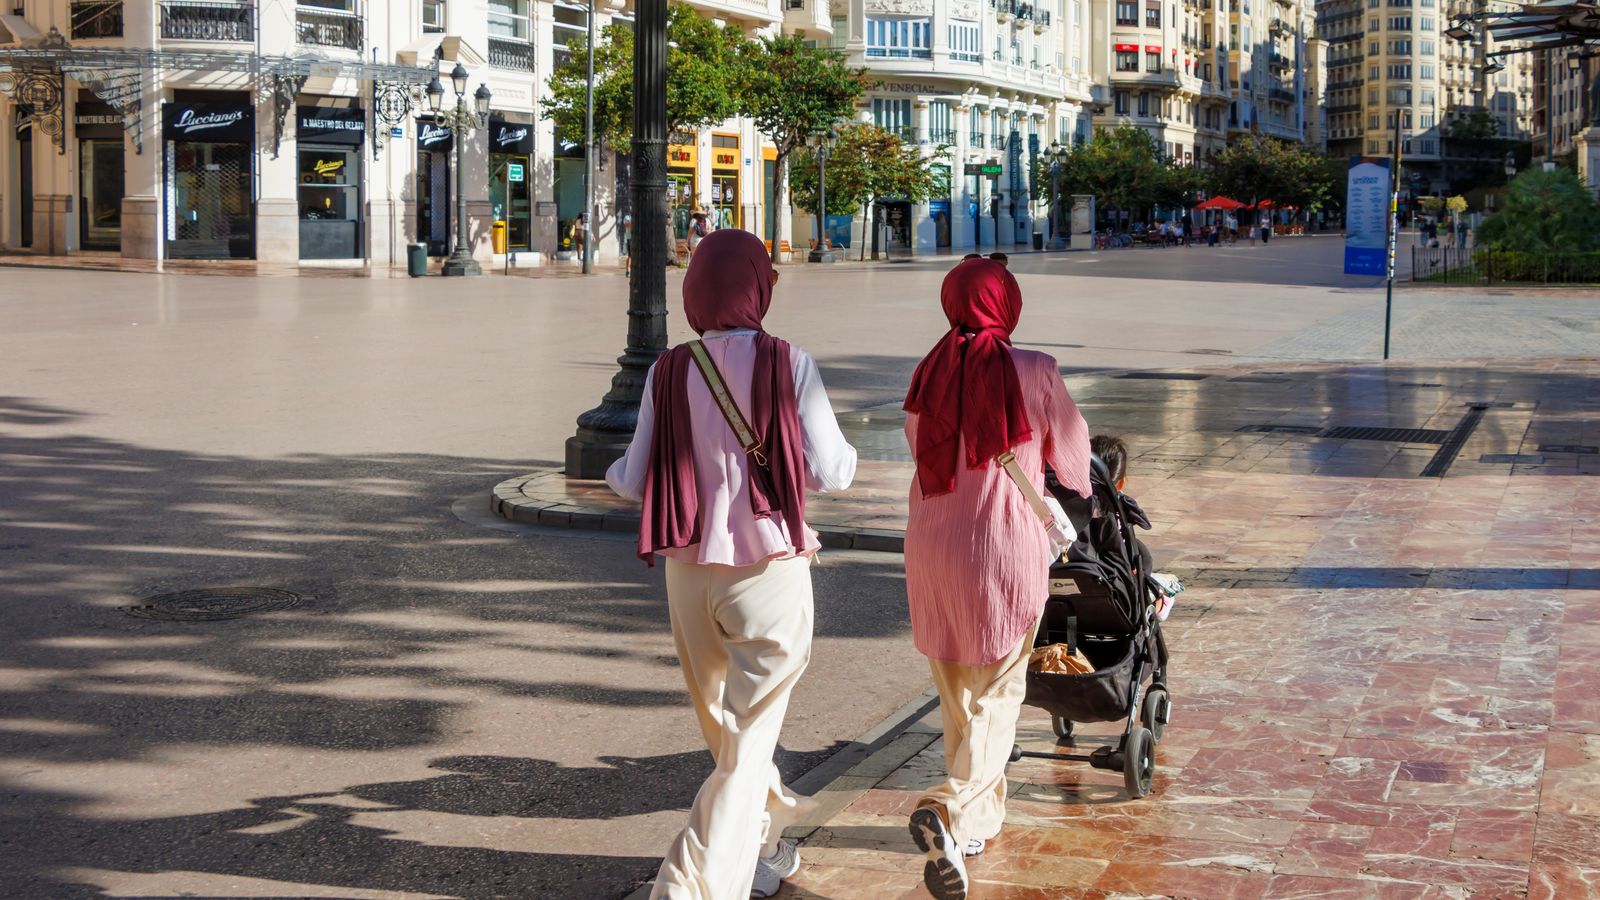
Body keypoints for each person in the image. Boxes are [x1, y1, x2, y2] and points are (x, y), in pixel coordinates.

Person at [606, 228, 858, 900]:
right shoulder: (790, 362)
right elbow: (834, 470)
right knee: (747, 744)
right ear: (758, 286)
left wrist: (613, 468)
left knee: (730, 734)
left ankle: (765, 843)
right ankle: (690, 887)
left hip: (688, 570)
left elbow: (632, 480)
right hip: (771, 567)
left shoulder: (668, 369)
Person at [900, 257, 1093, 900]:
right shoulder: (1034, 369)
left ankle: (975, 824)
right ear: (1005, 303)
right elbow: (1072, 455)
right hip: (1005, 547)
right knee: (1001, 693)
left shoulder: (927, 371)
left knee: (958, 690)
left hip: (933, 546)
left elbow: (916, 443)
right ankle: (950, 803)